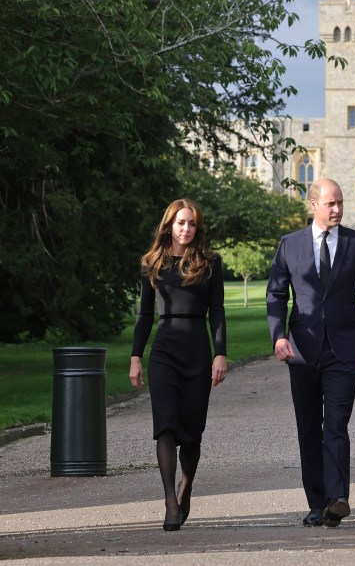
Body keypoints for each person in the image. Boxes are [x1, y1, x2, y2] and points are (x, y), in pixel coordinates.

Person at [266, 178, 355, 528]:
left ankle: (337, 498)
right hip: (302, 351)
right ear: (313, 205)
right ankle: (316, 503)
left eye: (340, 202)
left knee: (336, 424)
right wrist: (277, 336)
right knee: (308, 428)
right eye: (330, 203)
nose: (337, 209)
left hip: (345, 351)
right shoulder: (290, 245)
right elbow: (275, 295)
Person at [129, 199, 228, 532]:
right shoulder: (152, 263)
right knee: (166, 426)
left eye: (192, 224)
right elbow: (144, 316)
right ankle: (170, 501)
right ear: (169, 224)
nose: (186, 229)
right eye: (181, 222)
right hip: (164, 353)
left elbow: (217, 311)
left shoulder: (210, 263)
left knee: (192, 432)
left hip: (198, 350)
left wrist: (220, 353)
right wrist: (135, 357)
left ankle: (186, 490)